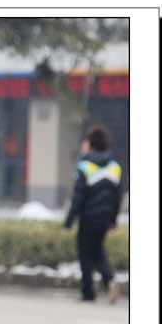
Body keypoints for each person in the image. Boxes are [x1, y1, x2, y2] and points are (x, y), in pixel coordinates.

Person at [63, 125, 123, 303]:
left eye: (86, 141)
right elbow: (117, 198)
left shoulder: (85, 166)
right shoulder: (114, 168)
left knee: (85, 254)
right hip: (104, 219)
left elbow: (78, 197)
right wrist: (113, 219)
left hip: (88, 218)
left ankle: (88, 292)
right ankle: (109, 281)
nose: (83, 144)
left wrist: (69, 220)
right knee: (98, 252)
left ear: (91, 144)